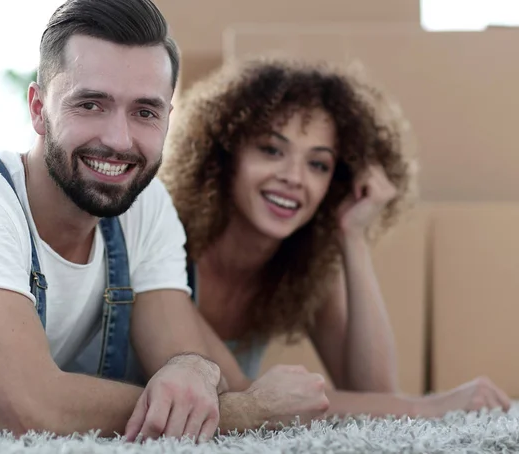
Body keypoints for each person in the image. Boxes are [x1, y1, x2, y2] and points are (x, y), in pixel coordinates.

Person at [0, 0, 331, 441]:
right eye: (92, 104)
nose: (119, 140)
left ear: (168, 119)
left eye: (145, 112)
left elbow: (181, 360)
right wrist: (249, 412)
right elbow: (33, 406)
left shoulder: (145, 205)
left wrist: (193, 367)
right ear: (38, 109)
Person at [159, 56, 512, 419]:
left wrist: (353, 236)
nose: (294, 177)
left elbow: (374, 393)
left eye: (318, 164)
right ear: (224, 155)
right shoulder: (165, 241)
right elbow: (238, 393)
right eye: (271, 150)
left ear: (335, 183)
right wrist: (430, 406)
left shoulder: (302, 265)